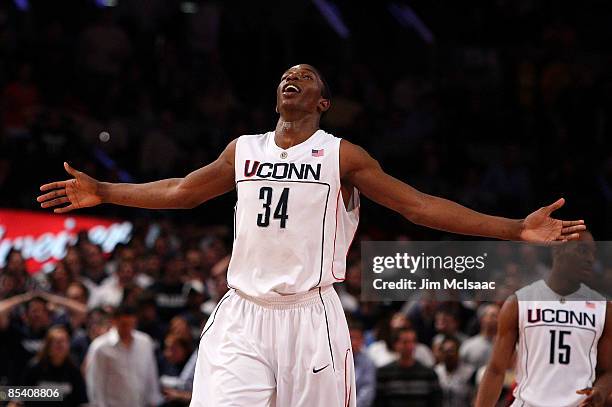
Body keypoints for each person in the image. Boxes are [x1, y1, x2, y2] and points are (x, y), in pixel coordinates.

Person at [38, 64, 585, 406]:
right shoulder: (243, 149)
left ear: (322, 103)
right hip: (242, 313)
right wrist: (105, 191)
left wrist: (515, 229)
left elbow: (419, 208)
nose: (292, 77)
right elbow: (182, 190)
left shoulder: (341, 155)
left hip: (311, 315)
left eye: (306, 76)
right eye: (285, 75)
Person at [476, 232, 612, 407]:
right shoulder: (519, 302)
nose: (590, 259)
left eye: (593, 253)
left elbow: (607, 371)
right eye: (582, 250)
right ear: (558, 250)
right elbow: (495, 370)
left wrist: (600, 390)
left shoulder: (603, 309)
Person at [85, 304, 163, 407]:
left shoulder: (145, 342)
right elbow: (95, 382)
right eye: (124, 325)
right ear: (114, 321)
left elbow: (150, 374)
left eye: (131, 324)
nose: (127, 329)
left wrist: (154, 400)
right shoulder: (100, 347)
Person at [21, 325, 88, 407]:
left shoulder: (74, 369)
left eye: (64, 342)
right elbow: (20, 399)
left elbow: (82, 400)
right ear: (48, 347)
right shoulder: (34, 367)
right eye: (57, 343)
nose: (61, 346)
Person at [375, 327, 442, 406]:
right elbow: (379, 402)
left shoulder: (429, 374)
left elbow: (436, 402)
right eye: (405, 342)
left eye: (412, 342)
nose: (409, 346)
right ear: (395, 345)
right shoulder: (384, 373)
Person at [434, 336, 475, 407]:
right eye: (445, 351)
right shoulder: (436, 372)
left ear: (458, 352)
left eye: (451, 351)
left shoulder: (469, 372)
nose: (448, 355)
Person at [460, 303, 499, 370]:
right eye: (493, 316)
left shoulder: (505, 345)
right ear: (482, 319)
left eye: (499, 316)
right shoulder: (468, 345)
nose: (496, 319)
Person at [348, 318, 376, 407]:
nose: (354, 342)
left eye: (357, 338)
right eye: (351, 338)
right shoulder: (335, 360)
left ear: (362, 340)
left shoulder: (368, 362)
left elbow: (367, 391)